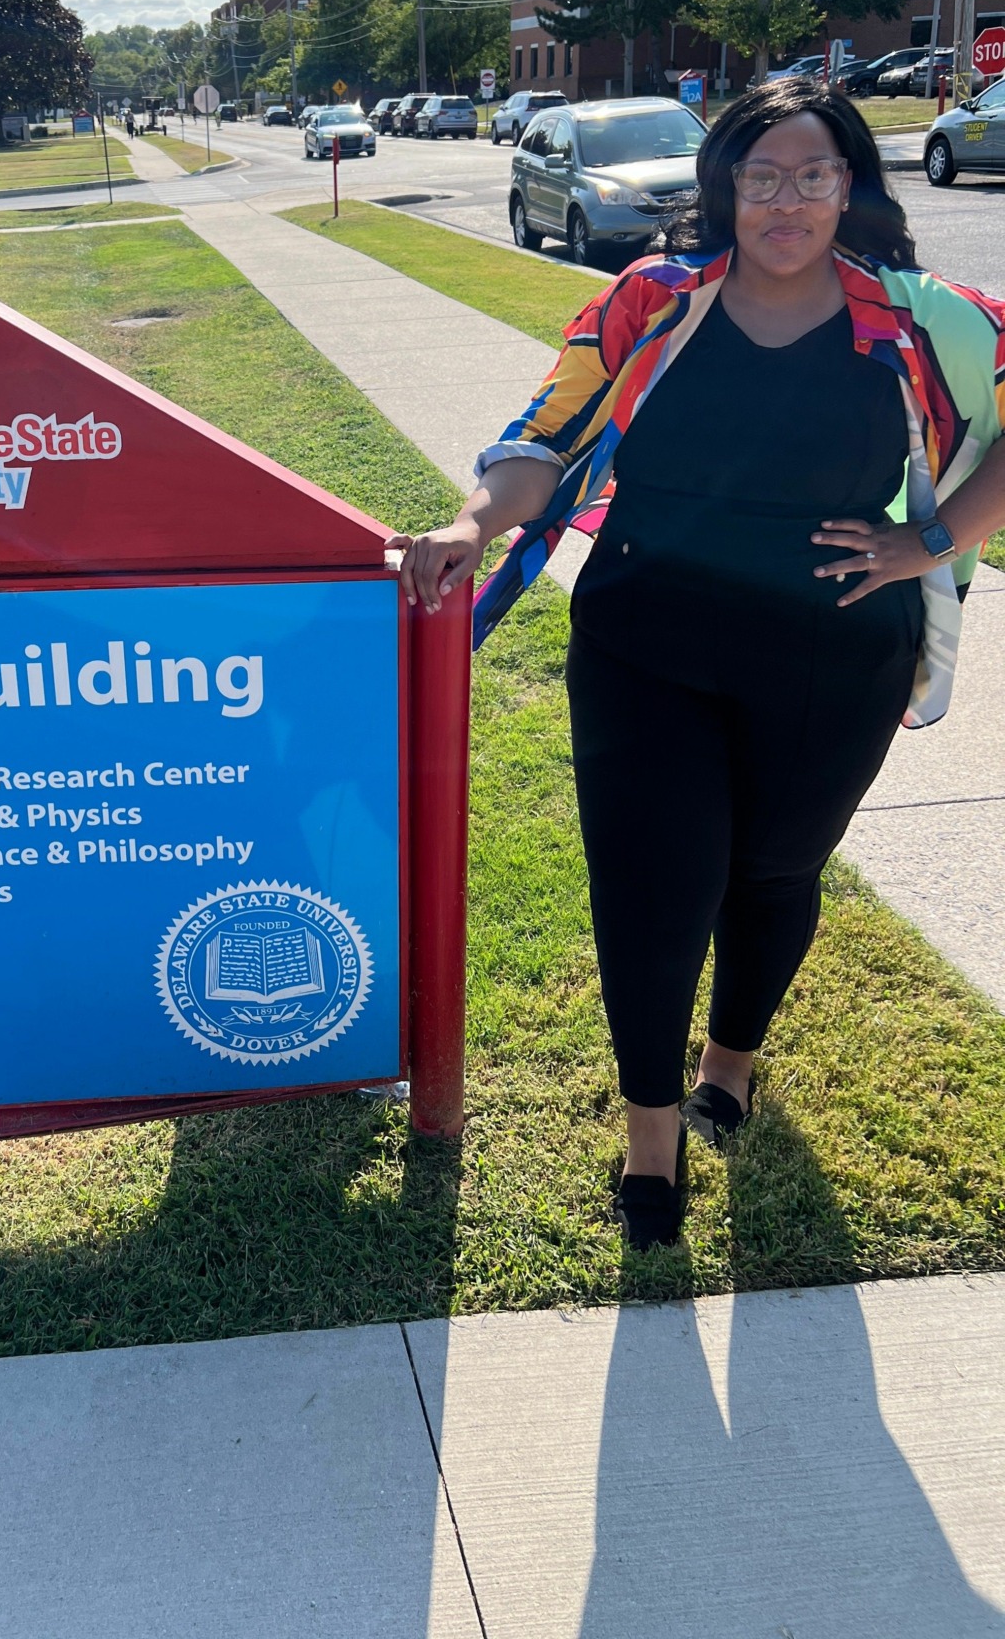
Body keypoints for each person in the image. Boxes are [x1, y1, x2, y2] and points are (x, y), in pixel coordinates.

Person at [391, 79, 1005, 1250]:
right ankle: (652, 1133)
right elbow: (547, 433)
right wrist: (473, 521)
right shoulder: (652, 300)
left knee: (774, 870)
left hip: (834, 647)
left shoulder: (921, 318)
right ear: (725, 185)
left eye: (812, 175)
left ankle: (730, 1061)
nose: (786, 200)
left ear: (848, 185)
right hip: (646, 639)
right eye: (761, 175)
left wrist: (927, 541)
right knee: (652, 887)